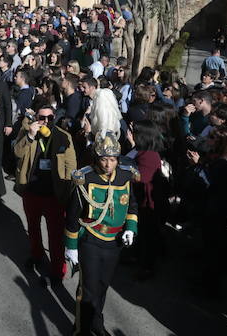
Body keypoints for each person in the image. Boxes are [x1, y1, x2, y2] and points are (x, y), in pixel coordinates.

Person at [64, 133, 137, 336]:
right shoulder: (85, 178)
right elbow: (72, 215)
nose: (108, 164)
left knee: (103, 286)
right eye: (104, 159)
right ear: (96, 158)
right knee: (88, 290)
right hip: (91, 240)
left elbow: (132, 205)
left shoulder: (125, 175)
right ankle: (82, 330)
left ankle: (96, 322)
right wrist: (71, 247)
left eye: (112, 159)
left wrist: (131, 228)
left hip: (114, 242)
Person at [14, 102, 77, 287]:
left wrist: (68, 192)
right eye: (42, 118)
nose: (46, 121)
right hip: (32, 190)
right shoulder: (28, 132)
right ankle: (37, 255)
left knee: (55, 235)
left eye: (50, 118)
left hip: (54, 194)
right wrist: (30, 136)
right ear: (36, 118)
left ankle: (58, 270)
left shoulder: (63, 136)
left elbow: (71, 166)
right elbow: (17, 152)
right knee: (33, 227)